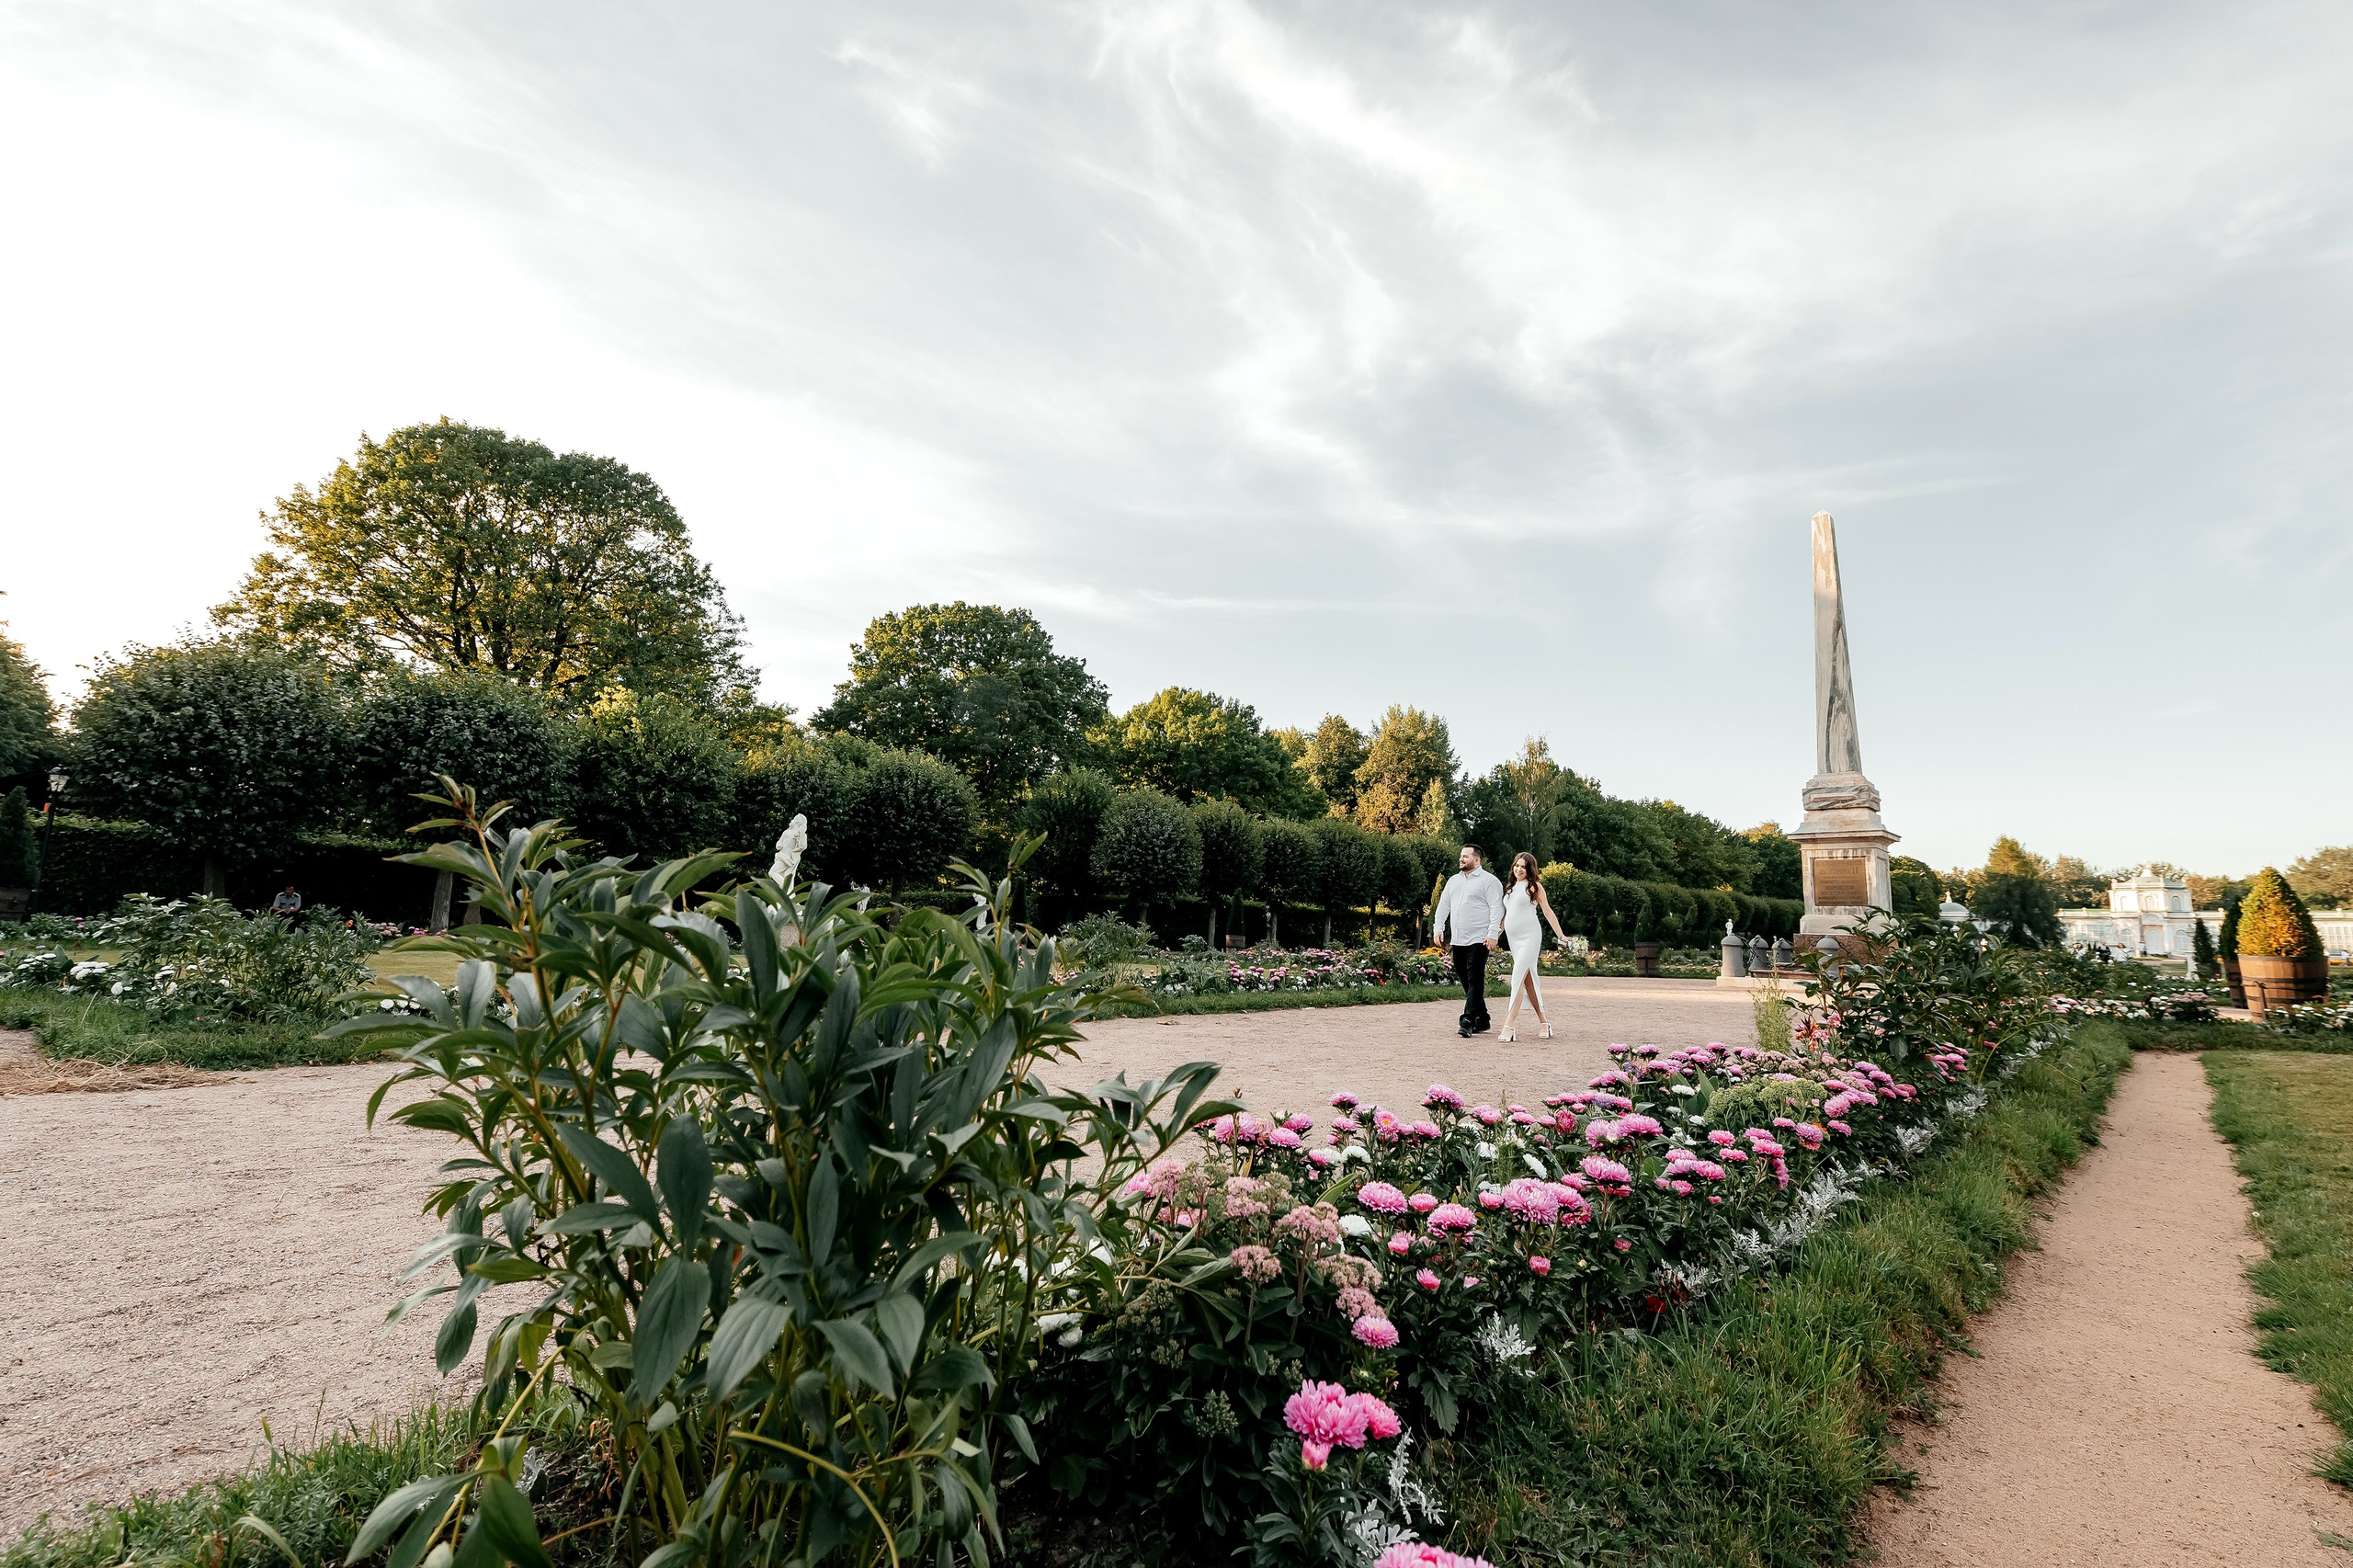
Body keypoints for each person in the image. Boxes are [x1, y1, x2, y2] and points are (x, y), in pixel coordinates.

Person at [1496, 851, 1572, 1042]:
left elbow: (1547, 911)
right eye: (1516, 865)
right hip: (1513, 940)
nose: (1519, 869)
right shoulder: (1510, 888)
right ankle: (1544, 1023)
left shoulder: (1534, 887)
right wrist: (1496, 933)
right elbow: (1507, 915)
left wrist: (1560, 935)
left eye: (1523, 867)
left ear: (1530, 869)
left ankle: (1509, 1025)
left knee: (1516, 979)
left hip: (1530, 937)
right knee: (1528, 981)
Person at [1431, 845, 1503, 1039]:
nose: (1461, 859)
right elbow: (1443, 905)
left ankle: (1468, 1019)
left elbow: (1497, 909)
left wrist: (1493, 933)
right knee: (1465, 978)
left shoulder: (1490, 881)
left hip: (1480, 938)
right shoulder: (1453, 881)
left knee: (1475, 977)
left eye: (1466, 856)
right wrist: (1438, 928)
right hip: (1458, 939)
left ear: (1477, 860)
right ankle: (1484, 1018)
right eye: (1461, 856)